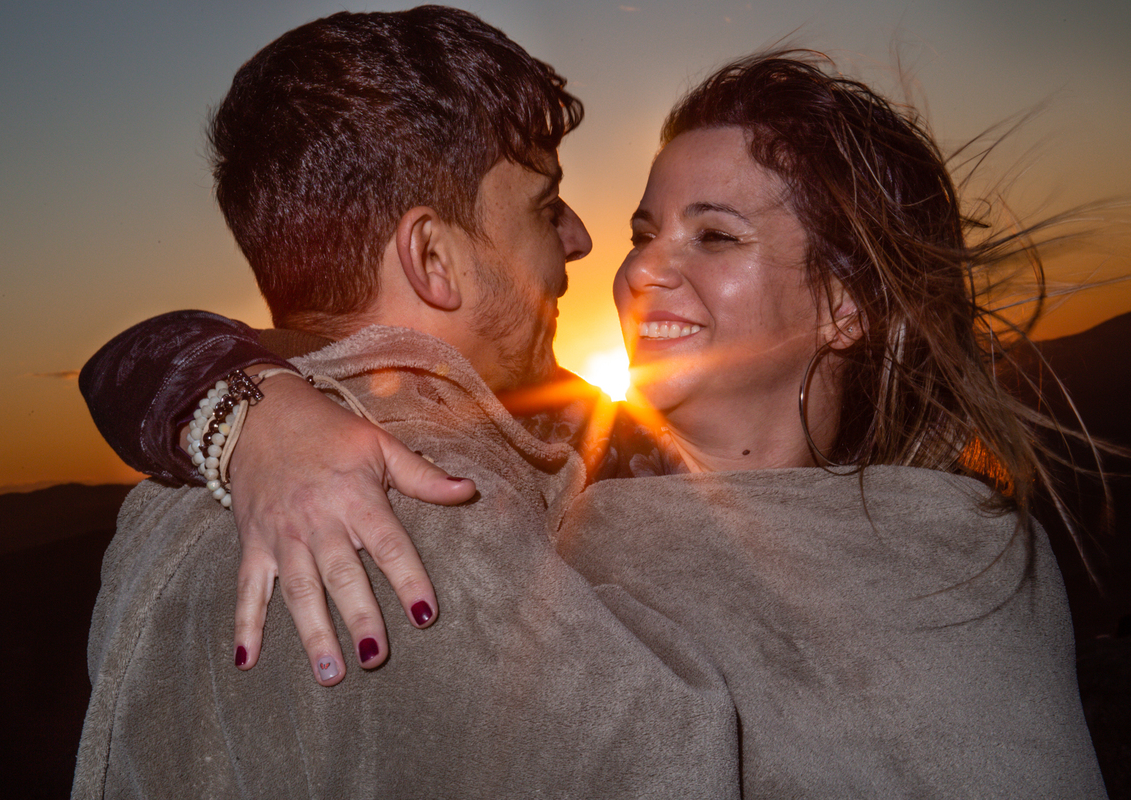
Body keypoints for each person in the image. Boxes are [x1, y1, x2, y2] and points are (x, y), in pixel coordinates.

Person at [82, 45, 1108, 800]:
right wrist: (245, 414)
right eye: (644, 229)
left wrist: (235, 403)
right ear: (434, 259)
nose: (619, 258)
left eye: (716, 232)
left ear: (847, 304)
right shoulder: (473, 508)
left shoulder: (961, 555)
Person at [72, 8, 738, 798]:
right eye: (543, 204)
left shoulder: (163, 510)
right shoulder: (429, 517)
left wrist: (243, 405)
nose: (582, 239)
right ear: (432, 258)